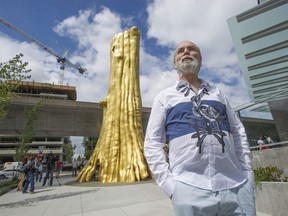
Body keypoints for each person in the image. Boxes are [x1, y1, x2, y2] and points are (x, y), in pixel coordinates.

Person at [144, 40, 256, 216]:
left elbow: (238, 133)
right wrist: (171, 187)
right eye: (180, 51)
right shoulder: (164, 97)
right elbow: (152, 142)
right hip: (188, 188)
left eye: (192, 49)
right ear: (175, 63)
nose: (186, 52)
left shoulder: (218, 94)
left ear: (200, 59)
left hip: (237, 186)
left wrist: (247, 175)